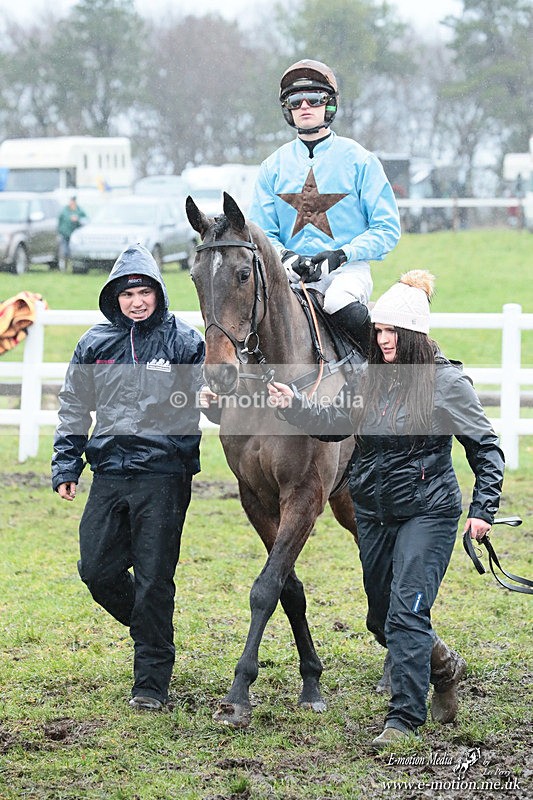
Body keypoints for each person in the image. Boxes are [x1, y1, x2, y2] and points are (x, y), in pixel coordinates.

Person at [267, 270, 505, 748]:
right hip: (374, 511)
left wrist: (484, 507)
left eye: (392, 331)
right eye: (378, 330)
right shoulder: (368, 379)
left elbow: (485, 447)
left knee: (406, 615)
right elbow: (335, 425)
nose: (383, 339)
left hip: (429, 512)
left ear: (415, 335)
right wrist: (295, 405)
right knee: (382, 620)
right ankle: (444, 665)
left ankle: (403, 720)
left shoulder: (446, 382)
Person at [52, 244, 205, 711]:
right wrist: (66, 464)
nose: (137, 301)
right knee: (96, 571)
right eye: (128, 294)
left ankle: (151, 684)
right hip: (109, 474)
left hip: (164, 475)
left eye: (144, 292)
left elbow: (208, 398)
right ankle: (151, 632)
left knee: (156, 578)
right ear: (115, 298)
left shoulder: (184, 340)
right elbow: (75, 407)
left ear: (158, 293)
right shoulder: (94, 344)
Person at [248, 59, 401, 352]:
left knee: (337, 300)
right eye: (296, 100)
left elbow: (387, 228)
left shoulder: (361, 160)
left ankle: (379, 367)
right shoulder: (272, 167)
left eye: (315, 99)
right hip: (289, 274)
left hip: (346, 273)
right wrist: (286, 258)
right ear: (288, 109)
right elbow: (261, 232)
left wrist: (342, 255)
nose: (305, 106)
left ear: (328, 105)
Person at [57, 196, 87, 270]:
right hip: (64, 234)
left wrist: (78, 219)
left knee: (73, 252)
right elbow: (60, 221)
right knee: (64, 251)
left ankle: (73, 266)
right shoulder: (64, 210)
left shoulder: (79, 210)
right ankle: (63, 267)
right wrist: (60, 231)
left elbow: (85, 220)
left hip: (75, 235)